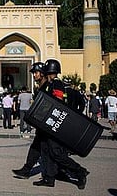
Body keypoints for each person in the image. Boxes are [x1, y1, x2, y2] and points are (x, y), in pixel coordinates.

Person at [35, 59, 88, 189]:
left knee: (56, 153)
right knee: (46, 150)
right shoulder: (51, 84)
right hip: (48, 123)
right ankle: (49, 178)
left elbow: (57, 102)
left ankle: (79, 171)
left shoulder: (57, 84)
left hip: (55, 124)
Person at [13, 62, 48, 179]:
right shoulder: (40, 88)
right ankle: (27, 170)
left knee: (56, 153)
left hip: (48, 125)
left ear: (42, 73)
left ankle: (79, 171)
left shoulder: (49, 86)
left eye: (36, 73)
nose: (34, 75)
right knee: (36, 148)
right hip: (42, 125)